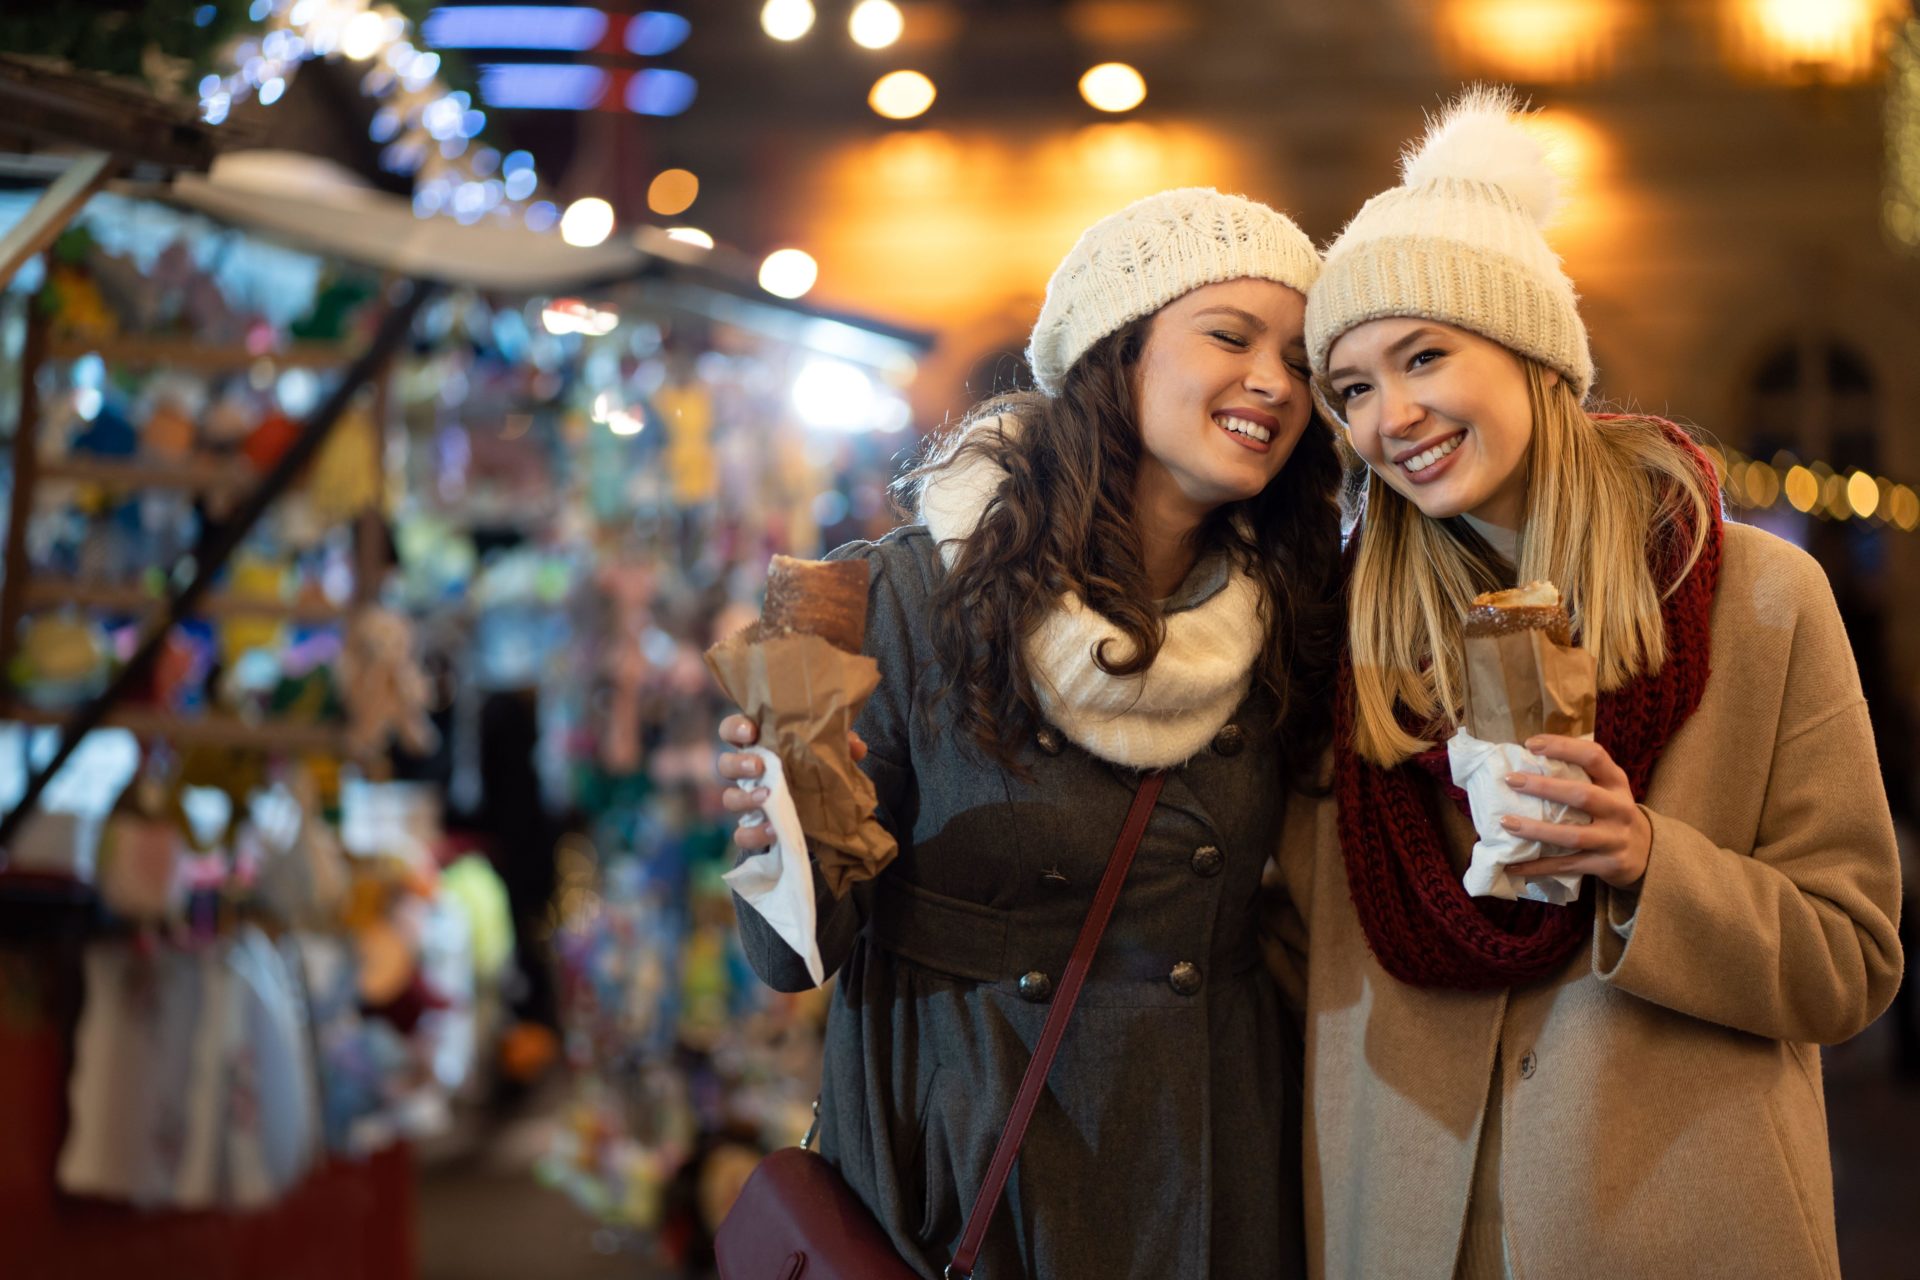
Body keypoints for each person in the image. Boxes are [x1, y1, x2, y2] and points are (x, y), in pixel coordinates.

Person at [1273, 87, 1905, 1278]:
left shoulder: (1761, 599)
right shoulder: (1341, 636)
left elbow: (1850, 957)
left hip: (1679, 1222)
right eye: (1350, 388)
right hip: (1401, 1225)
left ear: (1527, 352)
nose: (1390, 416)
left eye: (1423, 356)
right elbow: (1289, 946)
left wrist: (1645, 859)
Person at [717, 187, 1342, 1279]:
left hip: (1209, 1162)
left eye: (1299, 358)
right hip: (967, 1172)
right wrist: (789, 833)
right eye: (1231, 337)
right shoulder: (900, 597)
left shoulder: (1287, 611)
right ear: (1117, 352)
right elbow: (787, 958)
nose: (1274, 383)